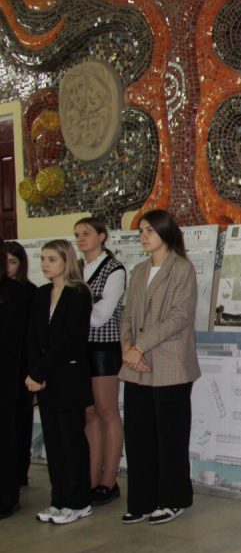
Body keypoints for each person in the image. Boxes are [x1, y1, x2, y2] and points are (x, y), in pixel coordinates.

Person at [118, 209, 200, 525]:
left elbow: (180, 317)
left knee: (170, 437)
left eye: (149, 230)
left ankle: (173, 498)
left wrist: (140, 346)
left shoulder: (182, 269)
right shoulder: (139, 270)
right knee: (138, 435)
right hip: (136, 364)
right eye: (141, 231)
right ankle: (142, 501)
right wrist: (128, 349)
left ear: (165, 233)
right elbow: (127, 315)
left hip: (170, 363)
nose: (143, 236)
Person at [25, 239, 94, 525]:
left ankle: (79, 502)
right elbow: (32, 336)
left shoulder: (78, 293)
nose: (45, 264)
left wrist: (40, 371)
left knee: (71, 440)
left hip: (69, 377)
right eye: (43, 259)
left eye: (52, 259)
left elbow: (68, 340)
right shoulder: (42, 293)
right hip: (45, 380)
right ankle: (59, 500)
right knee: (54, 442)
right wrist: (35, 373)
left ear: (67, 261)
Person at [74, 217, 126, 507]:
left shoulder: (114, 269)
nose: (81, 239)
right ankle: (91, 478)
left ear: (102, 236)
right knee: (90, 413)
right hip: (80, 349)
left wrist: (76, 311)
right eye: (77, 235)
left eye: (86, 233)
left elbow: (101, 315)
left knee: (108, 412)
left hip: (104, 348)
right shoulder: (76, 268)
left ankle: (109, 480)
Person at [0, 241, 31, 518]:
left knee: (6, 439)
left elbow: (12, 341)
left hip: (6, 378)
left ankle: (7, 498)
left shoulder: (14, 292)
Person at [6, 240, 36, 486]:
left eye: (13, 262)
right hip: (7, 367)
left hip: (22, 367)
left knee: (20, 423)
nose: (8, 267)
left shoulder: (30, 292)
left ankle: (19, 472)